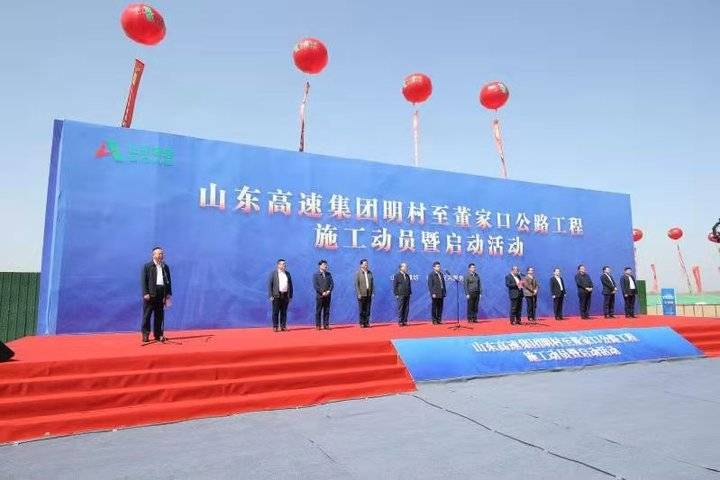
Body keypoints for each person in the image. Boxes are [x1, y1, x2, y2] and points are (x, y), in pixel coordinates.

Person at [141, 246, 172, 343]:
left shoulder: (165, 267)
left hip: (161, 293)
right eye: (159, 253)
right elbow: (143, 281)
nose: (161, 255)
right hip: (150, 294)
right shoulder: (147, 266)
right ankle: (145, 334)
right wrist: (145, 293)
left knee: (159, 315)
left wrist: (168, 293)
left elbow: (168, 281)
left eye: (162, 253)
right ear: (153, 255)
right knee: (147, 315)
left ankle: (158, 334)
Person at [268, 259, 293, 332]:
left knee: (284, 312)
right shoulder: (274, 273)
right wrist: (270, 295)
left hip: (285, 295)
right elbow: (270, 285)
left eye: (284, 264)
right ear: (278, 265)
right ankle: (275, 326)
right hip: (276, 295)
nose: (284, 265)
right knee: (275, 312)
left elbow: (290, 285)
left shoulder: (287, 274)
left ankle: (283, 326)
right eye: (282, 264)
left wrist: (290, 296)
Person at [313, 260, 334, 330]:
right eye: (324, 264)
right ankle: (318, 325)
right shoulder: (316, 275)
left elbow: (332, 284)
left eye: (326, 265)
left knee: (327, 310)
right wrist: (322, 292)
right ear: (320, 266)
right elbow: (315, 286)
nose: (326, 266)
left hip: (328, 295)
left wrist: (329, 291)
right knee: (318, 311)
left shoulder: (328, 274)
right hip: (320, 296)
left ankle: (326, 325)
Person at [354, 259, 374, 328]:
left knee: (368, 309)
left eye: (367, 264)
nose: (366, 265)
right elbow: (356, 284)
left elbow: (372, 284)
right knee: (362, 309)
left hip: (369, 293)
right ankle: (362, 323)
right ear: (361, 265)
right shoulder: (358, 273)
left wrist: (373, 292)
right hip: (362, 294)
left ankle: (367, 322)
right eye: (365, 264)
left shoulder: (370, 273)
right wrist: (358, 293)